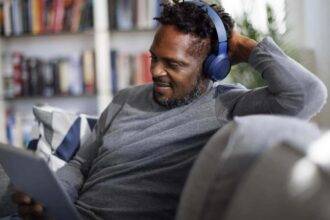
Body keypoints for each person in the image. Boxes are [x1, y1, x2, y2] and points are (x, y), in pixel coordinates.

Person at [11, 1, 327, 220]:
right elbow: (80, 164)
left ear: (213, 67)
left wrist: (242, 45)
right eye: (154, 58)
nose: (157, 71)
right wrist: (52, 196)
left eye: (173, 64)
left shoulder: (229, 107)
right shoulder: (126, 98)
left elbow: (307, 95)